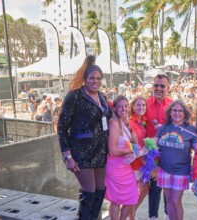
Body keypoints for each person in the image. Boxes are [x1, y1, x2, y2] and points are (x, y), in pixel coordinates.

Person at [57, 55, 110, 219]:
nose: (96, 81)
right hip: (82, 153)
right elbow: (62, 127)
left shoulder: (102, 96)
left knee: (100, 191)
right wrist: (67, 157)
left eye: (99, 78)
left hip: (100, 152)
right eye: (92, 78)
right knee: (89, 193)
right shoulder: (74, 96)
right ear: (85, 79)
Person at [155, 100, 197, 220]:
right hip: (164, 169)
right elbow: (152, 143)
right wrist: (138, 152)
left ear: (185, 113)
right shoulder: (164, 128)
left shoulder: (190, 130)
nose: (177, 113)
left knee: (176, 201)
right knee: (169, 201)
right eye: (174, 110)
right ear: (170, 112)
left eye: (180, 111)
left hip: (181, 171)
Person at [145, 74, 173, 220]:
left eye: (162, 86)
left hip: (169, 153)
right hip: (152, 154)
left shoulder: (173, 105)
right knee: (155, 187)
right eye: (156, 85)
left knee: (168, 187)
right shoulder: (145, 104)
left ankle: (168, 215)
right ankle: (153, 217)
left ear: (168, 88)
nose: (159, 88)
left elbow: (180, 127)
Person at [106, 95, 139, 220]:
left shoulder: (124, 123)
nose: (123, 109)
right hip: (115, 166)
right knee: (115, 200)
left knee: (132, 198)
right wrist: (130, 150)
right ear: (114, 108)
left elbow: (131, 144)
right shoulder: (113, 124)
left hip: (125, 166)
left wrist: (134, 147)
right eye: (120, 106)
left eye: (125, 106)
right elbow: (113, 151)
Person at [128, 95, 149, 220]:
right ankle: (131, 216)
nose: (141, 107)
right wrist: (142, 151)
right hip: (134, 162)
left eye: (143, 105)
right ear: (132, 107)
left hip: (142, 162)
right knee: (134, 192)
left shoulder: (143, 121)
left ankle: (131, 213)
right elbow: (131, 145)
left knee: (145, 190)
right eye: (138, 105)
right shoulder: (130, 122)